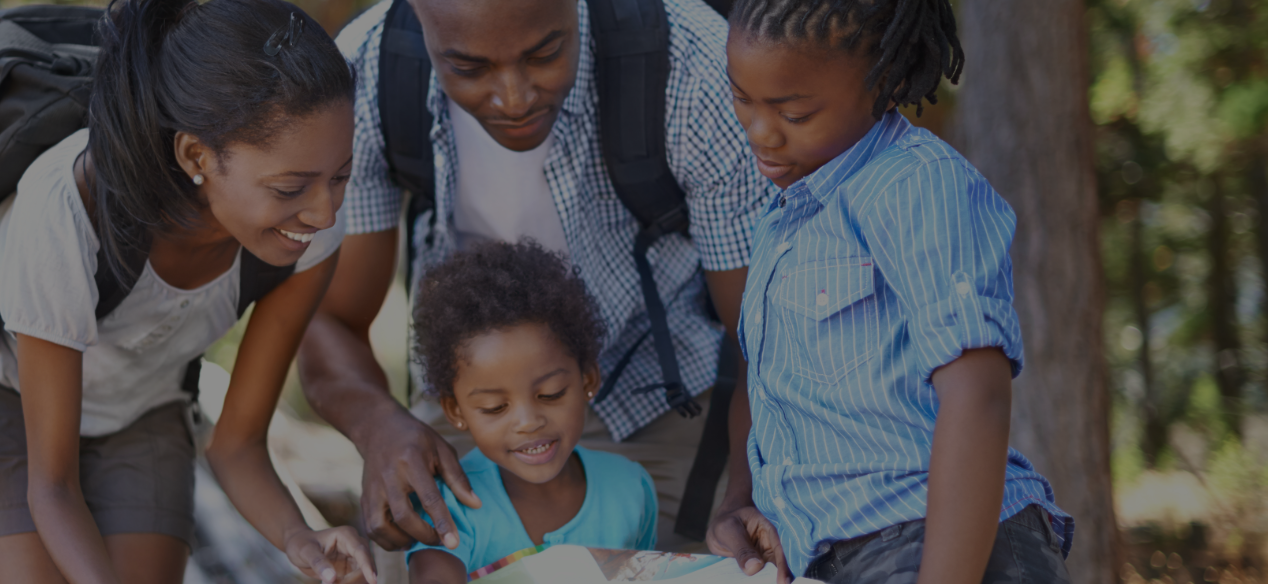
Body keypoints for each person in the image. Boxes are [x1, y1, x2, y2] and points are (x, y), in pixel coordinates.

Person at [297, 0, 776, 569]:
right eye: (470, 68)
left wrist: (745, 492)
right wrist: (378, 426)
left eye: (545, 53)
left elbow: (763, 336)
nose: (515, 98)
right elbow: (328, 318)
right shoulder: (366, 75)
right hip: (480, 401)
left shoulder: (691, 64)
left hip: (664, 393)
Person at [0, 1, 374, 582]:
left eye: (340, 175)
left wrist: (300, 539)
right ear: (196, 155)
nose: (325, 212)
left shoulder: (309, 233)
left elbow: (237, 446)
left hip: (144, 401)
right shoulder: (66, 211)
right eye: (290, 187)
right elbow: (51, 487)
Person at [706, 1, 1075, 583]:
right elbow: (765, 381)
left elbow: (978, 395)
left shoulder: (917, 184)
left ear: (889, 82)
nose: (759, 131)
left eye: (793, 112)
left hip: (936, 543)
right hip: (833, 555)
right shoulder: (781, 218)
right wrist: (735, 503)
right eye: (742, 99)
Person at [406, 241, 659, 584]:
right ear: (455, 410)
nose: (528, 421)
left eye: (550, 394)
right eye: (495, 407)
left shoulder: (631, 489)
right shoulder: (450, 509)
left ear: (588, 379)